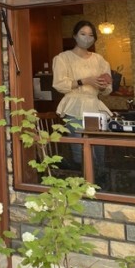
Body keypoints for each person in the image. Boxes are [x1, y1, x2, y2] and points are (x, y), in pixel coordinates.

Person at [52, 20, 113, 165]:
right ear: (75, 35)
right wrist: (84, 81)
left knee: (99, 148)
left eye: (91, 35)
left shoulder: (99, 59)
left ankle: (99, 178)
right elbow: (59, 84)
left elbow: (107, 89)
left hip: (95, 106)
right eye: (83, 34)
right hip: (74, 106)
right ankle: (84, 178)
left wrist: (102, 85)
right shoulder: (63, 58)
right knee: (80, 150)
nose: (87, 38)